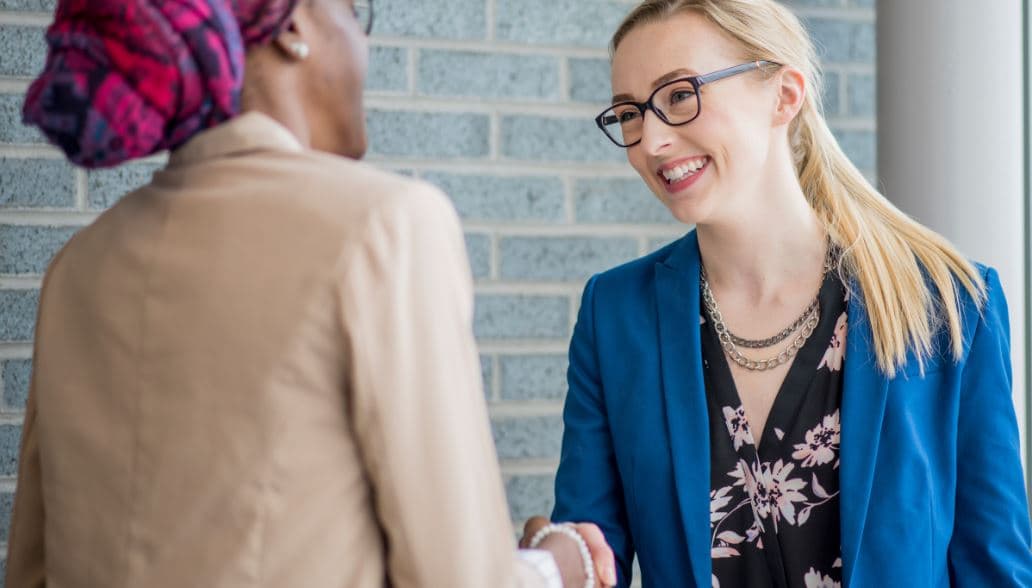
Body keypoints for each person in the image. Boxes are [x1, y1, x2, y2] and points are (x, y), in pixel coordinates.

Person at [5, 1, 617, 586]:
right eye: (354, 12)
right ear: (294, 26)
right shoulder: (386, 224)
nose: (363, 44)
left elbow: (30, 570)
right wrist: (560, 561)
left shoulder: (76, 269)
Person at [520, 0, 1032, 586]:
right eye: (630, 114)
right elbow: (588, 555)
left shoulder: (949, 302)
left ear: (785, 95)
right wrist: (550, 553)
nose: (651, 141)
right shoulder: (615, 316)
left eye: (680, 96)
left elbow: (994, 567)